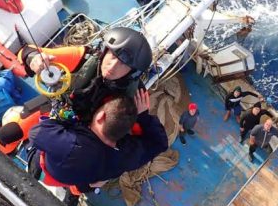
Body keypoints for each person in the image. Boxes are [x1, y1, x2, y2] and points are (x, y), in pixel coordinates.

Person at [28, 89, 168, 194]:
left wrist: (64, 118)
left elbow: (34, 133)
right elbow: (159, 143)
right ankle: (75, 193)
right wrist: (143, 116)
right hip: (82, 181)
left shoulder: (70, 144)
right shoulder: (125, 158)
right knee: (90, 185)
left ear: (100, 116)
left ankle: (33, 176)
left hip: (50, 168)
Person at [18, 27, 153, 122]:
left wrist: (140, 117)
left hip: (84, 130)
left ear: (133, 72)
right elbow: (26, 51)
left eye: (124, 64)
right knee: (12, 130)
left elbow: (140, 135)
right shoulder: (83, 57)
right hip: (58, 105)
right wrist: (34, 58)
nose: (112, 66)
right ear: (105, 51)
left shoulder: (135, 96)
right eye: (113, 56)